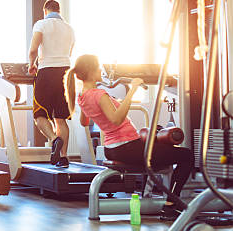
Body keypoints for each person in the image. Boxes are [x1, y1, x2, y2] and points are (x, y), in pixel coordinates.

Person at [65, 54, 194, 220]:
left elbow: (84, 121)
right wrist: (132, 90)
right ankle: (171, 204)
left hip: (112, 149)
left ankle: (160, 196)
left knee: (163, 149)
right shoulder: (99, 94)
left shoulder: (82, 96)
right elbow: (116, 119)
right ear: (91, 71)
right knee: (186, 155)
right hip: (126, 147)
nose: (100, 70)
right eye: (98, 67)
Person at [28, 0, 75, 168]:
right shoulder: (69, 28)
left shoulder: (41, 24)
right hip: (66, 74)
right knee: (61, 118)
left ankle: (55, 140)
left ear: (45, 11)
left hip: (47, 71)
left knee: (39, 115)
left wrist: (31, 64)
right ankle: (63, 158)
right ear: (59, 10)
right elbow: (69, 52)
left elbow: (34, 48)